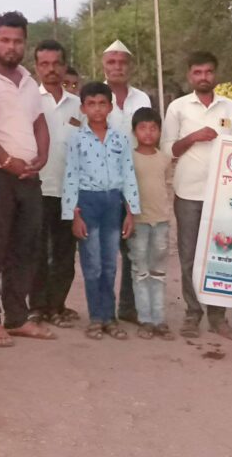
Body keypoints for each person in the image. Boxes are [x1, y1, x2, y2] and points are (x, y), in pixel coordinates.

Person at [0, 11, 53, 347]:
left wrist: (43, 156)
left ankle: (17, 318)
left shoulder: (28, 80)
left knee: (25, 247)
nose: (11, 46)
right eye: (4, 40)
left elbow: (38, 123)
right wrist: (7, 161)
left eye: (17, 41)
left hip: (28, 177)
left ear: (25, 43)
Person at [161, 51, 232, 340]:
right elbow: (168, 150)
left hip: (223, 194)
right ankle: (192, 312)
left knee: (221, 255)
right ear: (189, 76)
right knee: (189, 256)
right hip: (188, 192)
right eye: (198, 72)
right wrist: (193, 137)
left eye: (208, 72)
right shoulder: (178, 108)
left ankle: (218, 316)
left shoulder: (230, 108)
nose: (203, 77)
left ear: (216, 74)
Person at [63, 81, 141, 340]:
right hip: (88, 203)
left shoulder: (120, 138)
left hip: (113, 204)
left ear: (110, 106)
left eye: (102, 103)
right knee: (92, 264)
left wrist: (130, 212)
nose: (97, 109)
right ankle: (96, 317)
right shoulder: (77, 139)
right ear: (83, 107)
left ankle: (110, 318)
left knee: (110, 264)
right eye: (91, 104)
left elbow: (128, 174)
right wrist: (74, 215)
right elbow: (71, 176)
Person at [28, 40, 82, 329]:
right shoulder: (29, 100)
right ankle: (36, 308)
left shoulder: (78, 105)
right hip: (37, 188)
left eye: (56, 64)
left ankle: (57, 305)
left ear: (64, 66)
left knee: (64, 252)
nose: (51, 70)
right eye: (44, 64)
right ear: (36, 67)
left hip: (68, 190)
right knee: (36, 252)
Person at [101, 39, 151, 325]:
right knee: (105, 250)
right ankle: (104, 310)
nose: (117, 67)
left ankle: (129, 308)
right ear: (104, 65)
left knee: (135, 250)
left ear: (129, 66)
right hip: (103, 186)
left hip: (136, 184)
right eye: (112, 62)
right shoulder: (94, 97)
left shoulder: (142, 99)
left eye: (122, 62)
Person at [128, 108, 175, 340]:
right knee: (140, 272)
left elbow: (167, 186)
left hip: (161, 223)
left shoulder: (164, 158)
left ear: (159, 131)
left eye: (153, 128)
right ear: (134, 131)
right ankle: (145, 319)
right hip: (139, 222)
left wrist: (166, 216)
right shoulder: (129, 157)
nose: (148, 133)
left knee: (158, 272)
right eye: (142, 128)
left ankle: (159, 320)